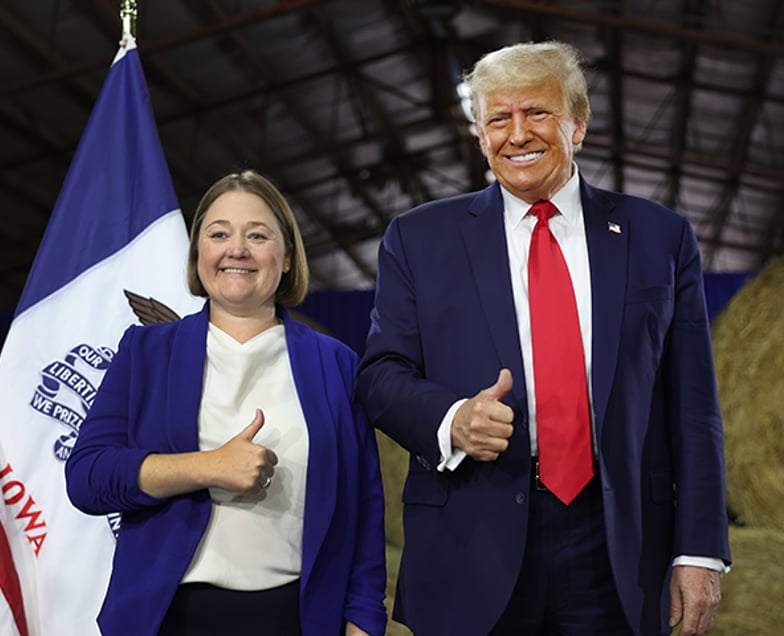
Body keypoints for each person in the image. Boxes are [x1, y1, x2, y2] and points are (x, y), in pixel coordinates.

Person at [355, 41, 730, 636]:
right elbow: (380, 375)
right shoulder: (418, 239)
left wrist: (701, 550)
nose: (517, 133)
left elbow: (694, 409)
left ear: (576, 124)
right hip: (471, 534)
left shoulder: (660, 237)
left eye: (537, 113)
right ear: (480, 136)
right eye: (498, 119)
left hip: (620, 545)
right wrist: (451, 419)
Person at [66, 170, 387, 636]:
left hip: (299, 618)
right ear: (199, 253)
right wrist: (209, 467)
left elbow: (364, 505)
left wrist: (363, 621)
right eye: (219, 234)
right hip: (169, 618)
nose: (236, 248)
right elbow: (88, 477)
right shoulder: (144, 352)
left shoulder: (335, 362)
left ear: (288, 256)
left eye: (257, 235)